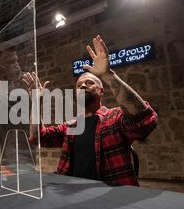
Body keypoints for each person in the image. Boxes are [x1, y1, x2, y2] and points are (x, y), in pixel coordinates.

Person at [23, 35, 158, 186]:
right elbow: (38, 138)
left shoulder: (115, 117)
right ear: (75, 95)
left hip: (112, 197)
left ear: (101, 91)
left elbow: (144, 121)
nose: (83, 86)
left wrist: (107, 74)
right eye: (79, 85)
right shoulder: (71, 127)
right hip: (69, 191)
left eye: (90, 83)